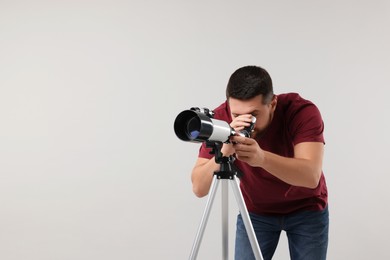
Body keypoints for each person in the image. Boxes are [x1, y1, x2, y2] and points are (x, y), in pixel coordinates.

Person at [191, 65, 329, 260]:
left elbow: (310, 177)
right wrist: (225, 150)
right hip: (256, 212)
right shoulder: (222, 118)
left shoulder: (300, 111)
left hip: (306, 208)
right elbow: (198, 187)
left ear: (272, 104)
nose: (245, 122)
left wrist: (262, 158)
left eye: (254, 114)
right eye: (237, 115)